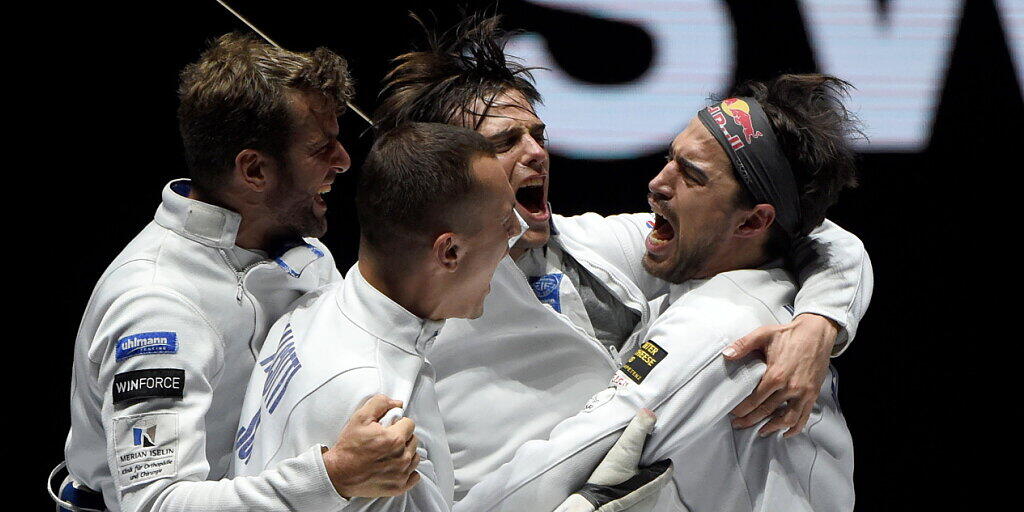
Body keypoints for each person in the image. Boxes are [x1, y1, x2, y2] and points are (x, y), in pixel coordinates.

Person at [373, 15, 873, 499]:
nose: (538, 153)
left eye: (538, 135)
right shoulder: (395, 310)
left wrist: (819, 322)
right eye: (505, 142)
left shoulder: (595, 248)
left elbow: (811, 235)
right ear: (442, 173)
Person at [456, 74, 862, 512]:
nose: (656, 183)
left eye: (691, 175)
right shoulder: (701, 272)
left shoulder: (724, 329)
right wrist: (823, 319)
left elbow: (574, 454)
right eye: (671, 159)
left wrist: (822, 321)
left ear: (749, 224)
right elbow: (810, 230)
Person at [55, 33, 418, 512]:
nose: (344, 161)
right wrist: (333, 477)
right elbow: (155, 504)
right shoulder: (159, 308)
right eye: (320, 148)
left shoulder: (303, 254)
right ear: (253, 171)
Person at [229, 122, 521, 509]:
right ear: (449, 252)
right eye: (504, 221)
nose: (516, 230)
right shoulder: (384, 420)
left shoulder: (313, 304)